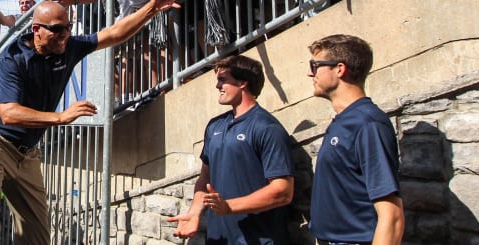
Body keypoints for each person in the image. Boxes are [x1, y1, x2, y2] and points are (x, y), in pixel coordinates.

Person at [0, 0, 184, 244]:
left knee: (37, 235)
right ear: (37, 29)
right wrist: (60, 117)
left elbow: (113, 34)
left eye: (68, 27)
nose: (64, 34)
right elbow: (9, 113)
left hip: (26, 154)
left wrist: (152, 8)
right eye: (57, 29)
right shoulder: (13, 58)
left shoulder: (68, 46)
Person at [167, 54, 294, 243]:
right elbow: (205, 179)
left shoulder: (266, 127)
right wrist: (194, 213)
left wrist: (229, 206)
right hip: (218, 239)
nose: (217, 86)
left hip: (258, 239)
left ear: (243, 83)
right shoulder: (214, 126)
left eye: (223, 80)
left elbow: (283, 191)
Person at [307, 34, 404, 244]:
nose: (309, 73)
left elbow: (392, 215)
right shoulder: (343, 122)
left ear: (340, 69)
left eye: (315, 66)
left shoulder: (367, 123)